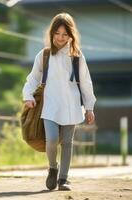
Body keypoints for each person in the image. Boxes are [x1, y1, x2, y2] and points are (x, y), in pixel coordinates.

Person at [22, 13, 96, 191]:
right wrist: (28, 96)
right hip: (50, 106)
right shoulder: (45, 55)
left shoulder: (77, 57)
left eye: (65, 34)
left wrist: (89, 108)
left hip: (71, 106)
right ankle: (52, 168)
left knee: (68, 143)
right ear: (51, 33)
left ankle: (63, 179)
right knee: (52, 139)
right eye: (57, 33)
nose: (60, 38)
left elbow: (86, 83)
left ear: (71, 35)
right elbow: (32, 79)